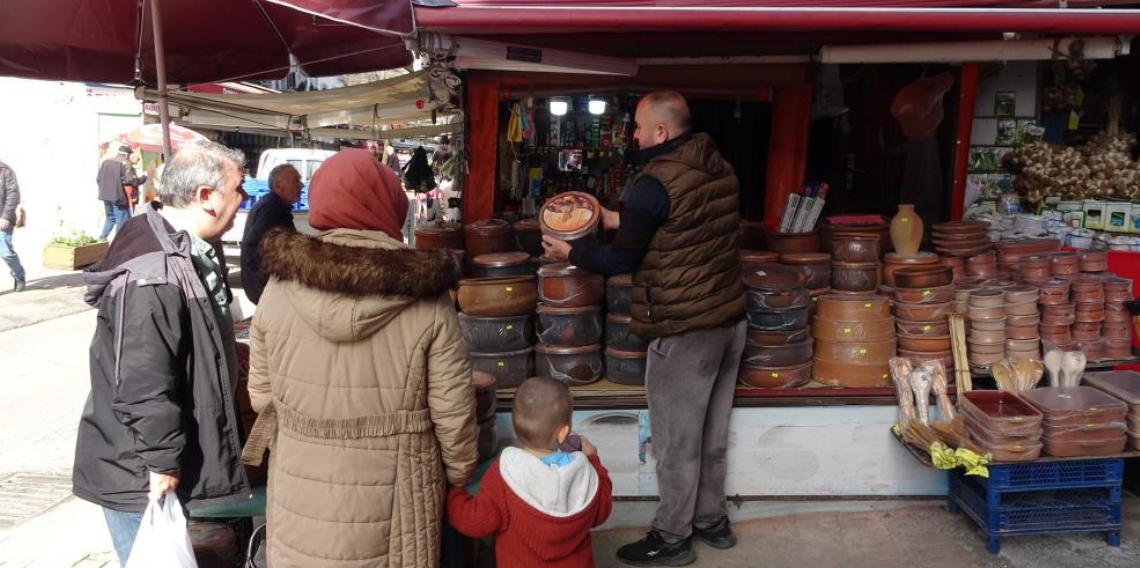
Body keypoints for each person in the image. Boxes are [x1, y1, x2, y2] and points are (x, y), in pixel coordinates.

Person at [243, 148, 477, 568]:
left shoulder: (276, 291)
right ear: (387, 206)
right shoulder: (427, 300)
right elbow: (454, 417)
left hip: (300, 489)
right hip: (397, 497)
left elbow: (261, 397)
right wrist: (458, 475)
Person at [542, 91, 746, 566]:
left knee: (676, 443)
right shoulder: (717, 166)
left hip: (685, 329)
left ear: (661, 132)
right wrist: (611, 217)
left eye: (637, 125)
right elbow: (678, 225)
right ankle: (711, 521)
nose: (631, 134)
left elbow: (621, 259)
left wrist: (570, 254)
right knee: (712, 437)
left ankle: (673, 536)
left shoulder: (652, 182)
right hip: (730, 321)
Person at [72, 140, 252, 565]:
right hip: (140, 471)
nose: (242, 200)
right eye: (237, 189)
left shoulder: (176, 245)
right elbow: (142, 379)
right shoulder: (153, 271)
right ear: (205, 197)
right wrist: (162, 462)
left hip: (153, 460)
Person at [447, 376, 613, 568]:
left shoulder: (506, 473)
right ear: (563, 432)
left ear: (516, 427)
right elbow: (602, 512)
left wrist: (453, 494)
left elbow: (476, 521)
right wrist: (594, 460)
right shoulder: (584, 472)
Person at [240, 163, 300, 304]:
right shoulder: (271, 208)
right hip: (267, 290)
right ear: (278, 186)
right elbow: (251, 246)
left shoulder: (275, 205)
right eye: (296, 180)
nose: (301, 185)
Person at [96, 145, 147, 240]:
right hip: (118, 197)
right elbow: (131, 181)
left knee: (110, 218)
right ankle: (119, 244)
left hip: (106, 196)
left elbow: (98, 179)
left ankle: (102, 239)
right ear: (127, 155)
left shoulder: (106, 162)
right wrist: (144, 177)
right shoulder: (125, 164)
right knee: (122, 221)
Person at [0, 158, 26, 292]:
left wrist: (5, 217)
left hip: (3, 218)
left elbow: (13, 194)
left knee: (6, 253)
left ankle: (19, 275)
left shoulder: (6, 171)